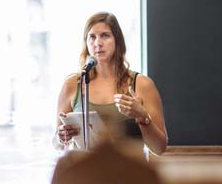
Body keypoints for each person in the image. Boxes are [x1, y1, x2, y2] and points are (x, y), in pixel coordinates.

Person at [55, 12, 167, 155]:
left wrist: (142, 117)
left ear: (117, 41)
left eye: (105, 36)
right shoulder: (72, 84)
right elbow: (57, 143)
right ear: (86, 42)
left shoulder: (142, 84)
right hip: (86, 174)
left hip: (129, 174)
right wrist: (61, 137)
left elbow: (159, 148)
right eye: (92, 37)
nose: (98, 43)